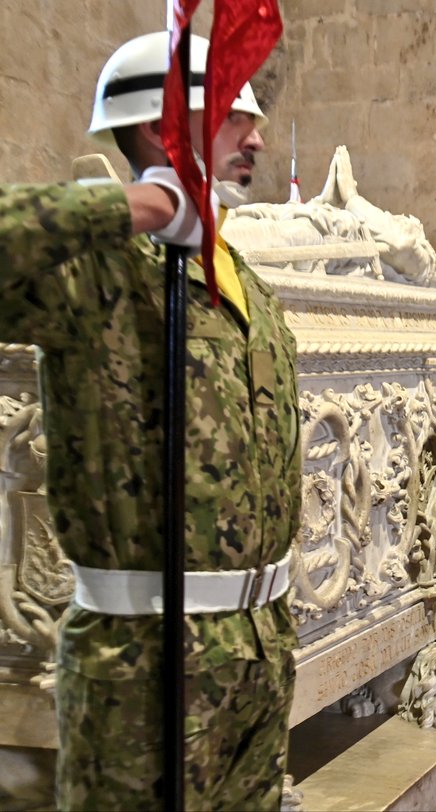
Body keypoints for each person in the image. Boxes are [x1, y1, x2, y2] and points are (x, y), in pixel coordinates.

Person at [0, 32, 301, 809]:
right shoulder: (92, 272)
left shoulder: (249, 289)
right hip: (146, 665)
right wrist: (140, 206)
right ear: (157, 125)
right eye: (235, 116)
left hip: (256, 653)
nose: (257, 139)